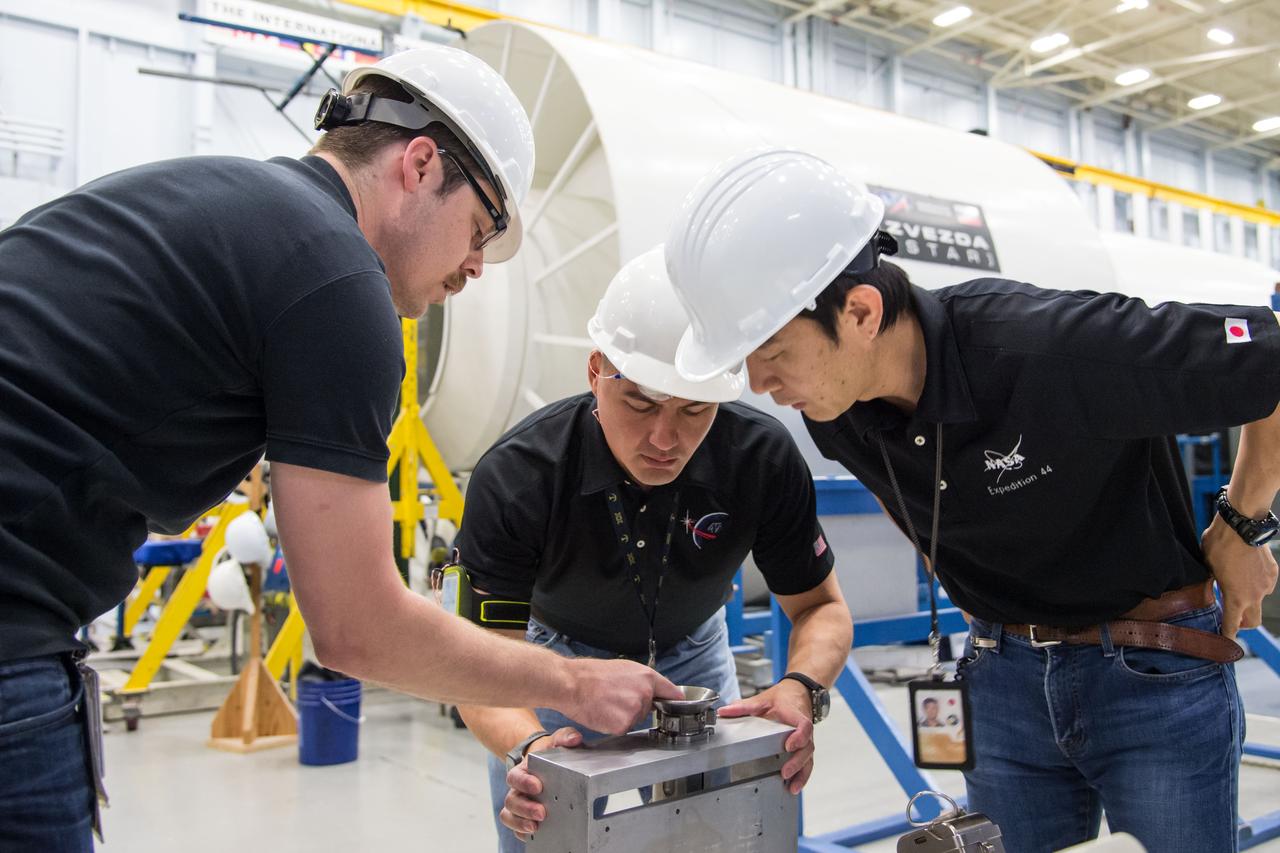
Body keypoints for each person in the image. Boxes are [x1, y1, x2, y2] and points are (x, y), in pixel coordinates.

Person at [0, 44, 676, 852]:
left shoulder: (223, 196)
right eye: (481, 228)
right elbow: (355, 629)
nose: (476, 267)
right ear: (421, 164)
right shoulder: (338, 283)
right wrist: (574, 679)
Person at [663, 148, 1280, 853]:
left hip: (1150, 674)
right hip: (1002, 682)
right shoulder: (835, 412)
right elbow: (905, 499)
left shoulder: (1044, 346)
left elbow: (1270, 355)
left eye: (771, 351)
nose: (760, 382)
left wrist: (1241, 521)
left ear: (860, 311)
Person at [449, 245, 853, 850]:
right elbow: (482, 660)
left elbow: (821, 607)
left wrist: (801, 686)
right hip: (556, 665)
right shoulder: (520, 476)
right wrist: (528, 746)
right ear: (595, 372)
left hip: (694, 660)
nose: (665, 438)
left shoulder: (760, 459)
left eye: (694, 408)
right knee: (547, 818)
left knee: (730, 831)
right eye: (639, 401)